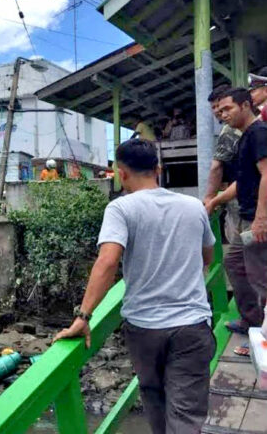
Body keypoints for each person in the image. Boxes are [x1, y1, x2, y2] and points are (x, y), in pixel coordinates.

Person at [54, 138, 215, 434]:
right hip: (192, 325)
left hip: (145, 328)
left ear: (122, 172)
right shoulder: (194, 207)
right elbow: (207, 256)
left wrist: (84, 317)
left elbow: (107, 262)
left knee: (154, 398)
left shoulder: (121, 209)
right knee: (186, 415)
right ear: (158, 169)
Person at [206, 87, 267, 342]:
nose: (222, 115)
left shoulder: (259, 133)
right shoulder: (243, 137)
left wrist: (261, 219)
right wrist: (215, 200)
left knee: (260, 276)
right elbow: (243, 181)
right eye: (219, 111)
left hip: (257, 217)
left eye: (227, 108)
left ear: (245, 105)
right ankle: (253, 319)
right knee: (234, 263)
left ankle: (262, 327)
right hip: (247, 214)